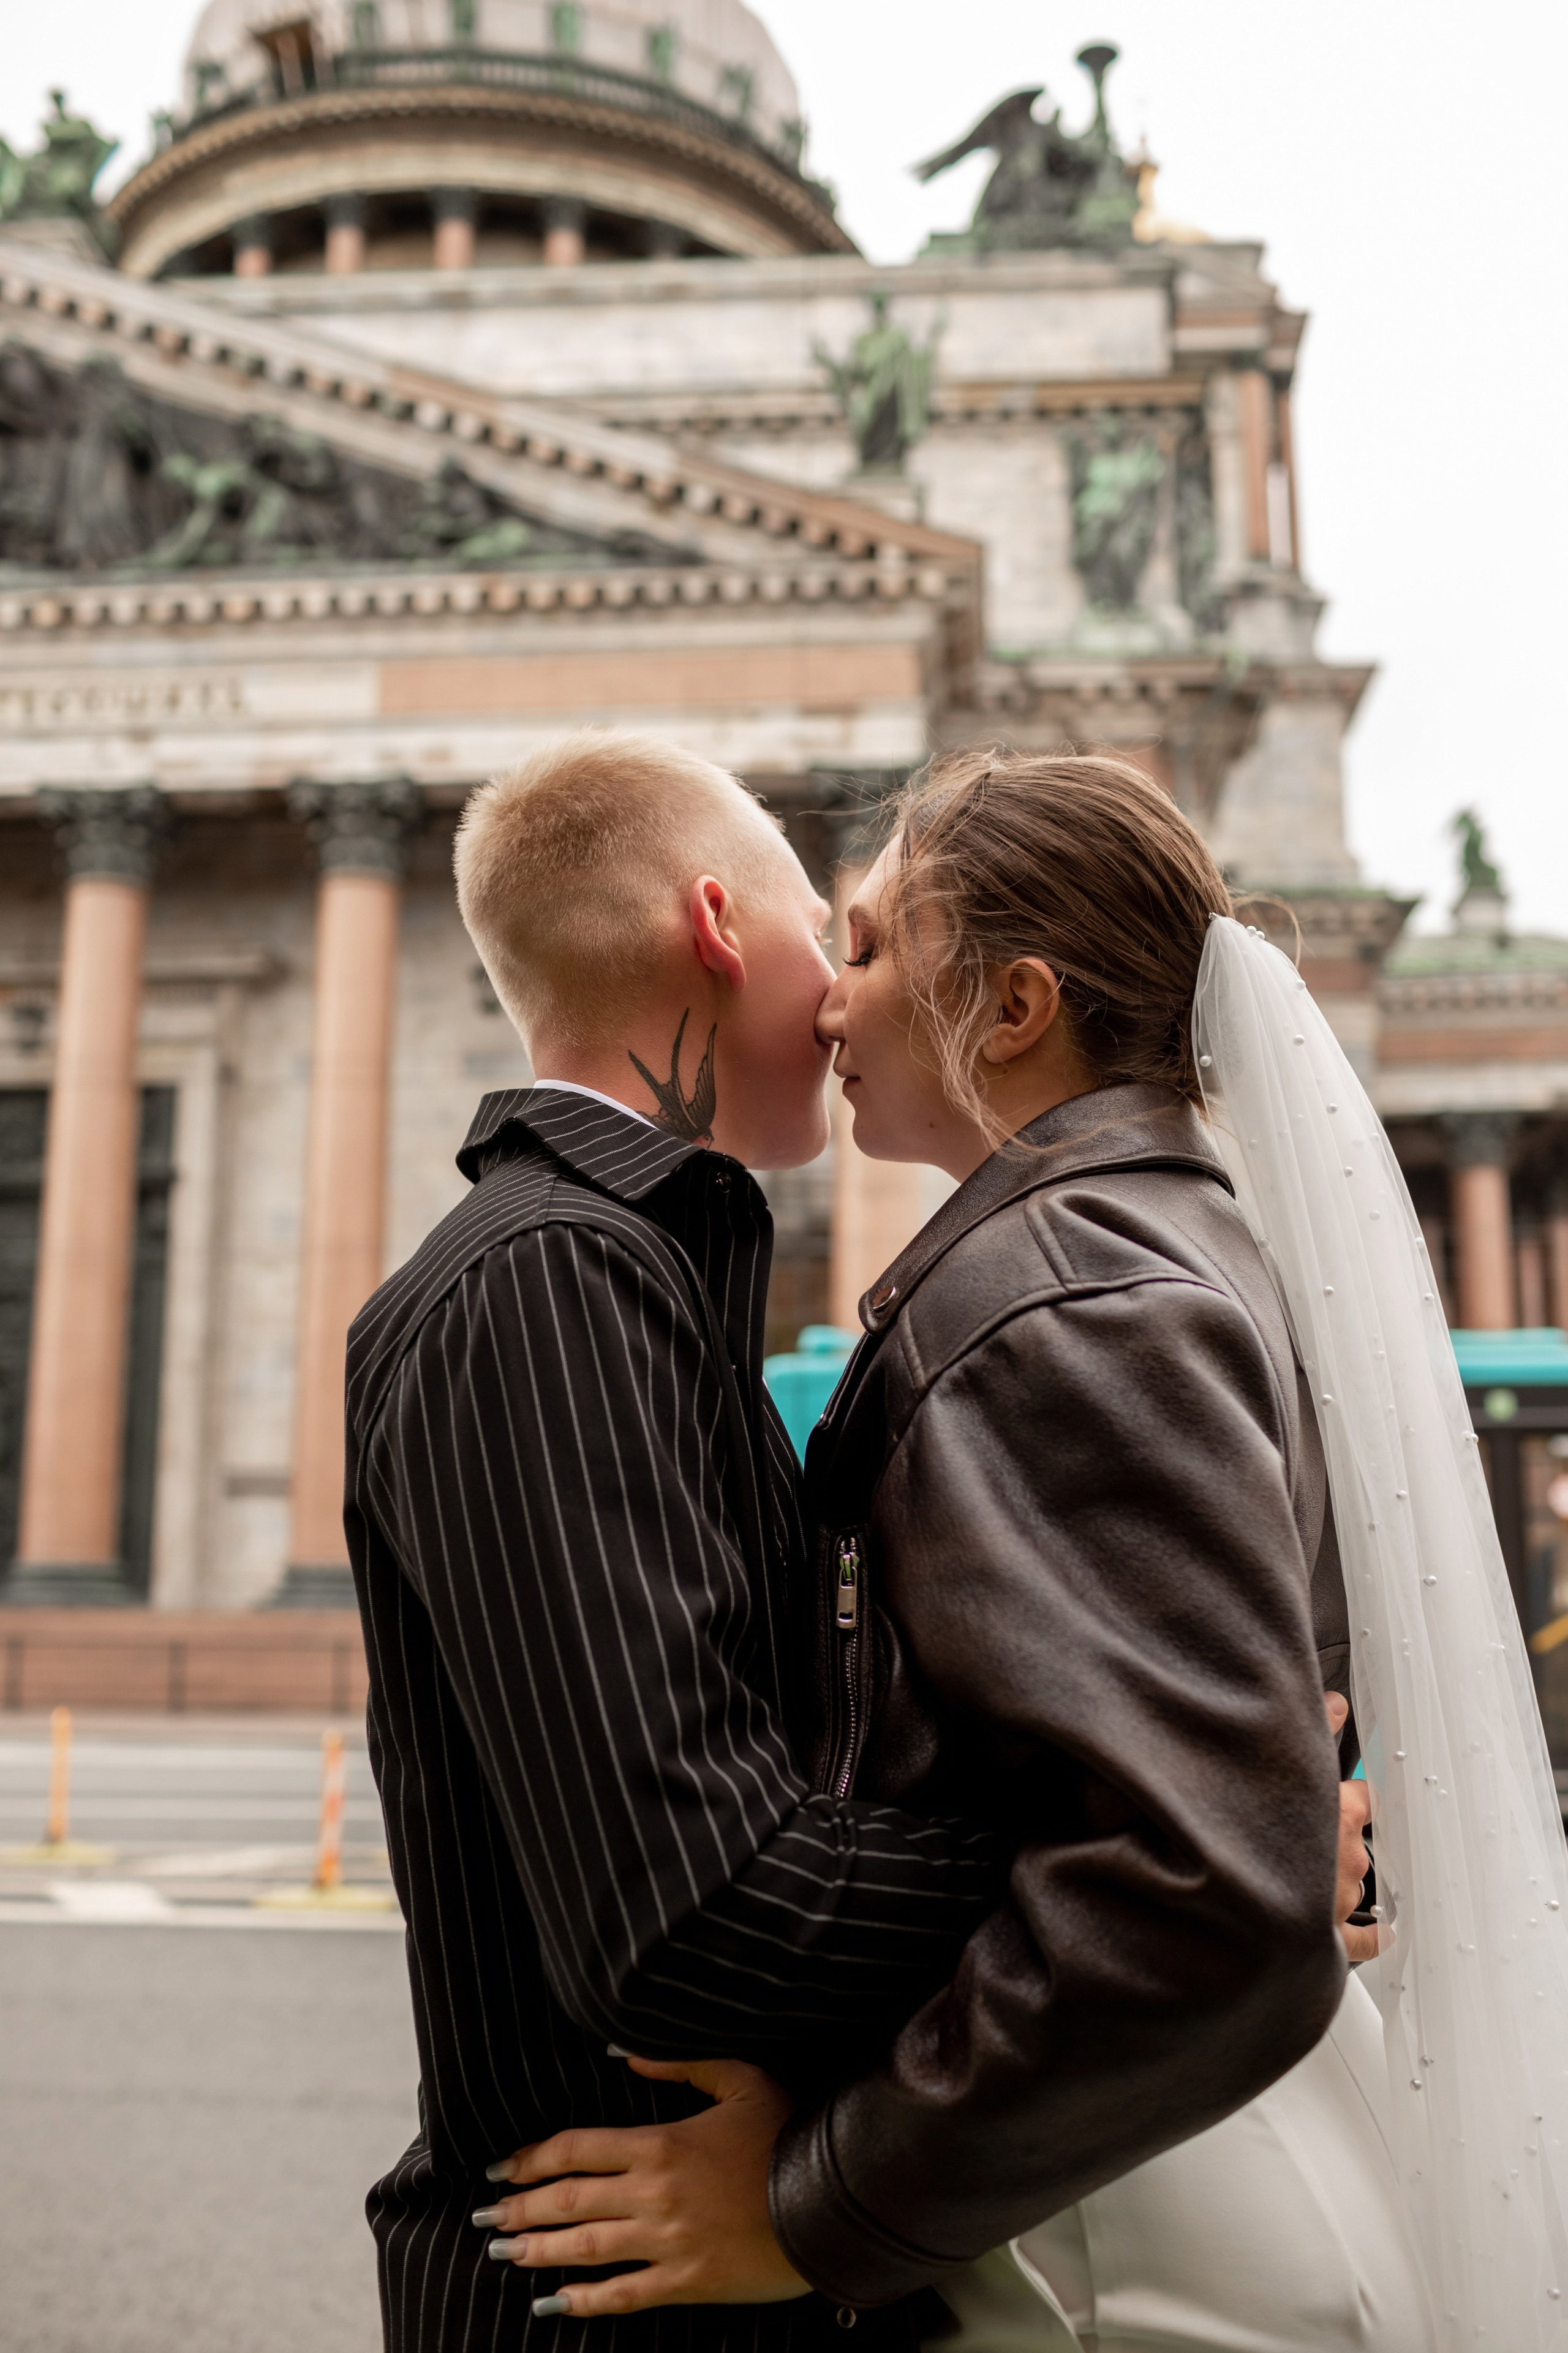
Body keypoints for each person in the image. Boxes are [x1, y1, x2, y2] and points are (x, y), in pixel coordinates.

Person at [346, 733, 1363, 2353]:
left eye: (867, 945)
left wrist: (1212, 1860)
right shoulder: (553, 1276)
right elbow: (688, 1902)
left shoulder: (710, 1268)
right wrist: (1213, 1859)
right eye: (832, 933)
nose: (833, 996)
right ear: (716, 925)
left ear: (1014, 1008)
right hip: (614, 2292)